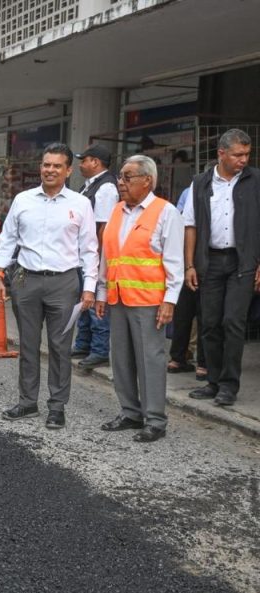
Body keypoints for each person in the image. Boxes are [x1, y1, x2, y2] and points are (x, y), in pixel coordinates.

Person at [0, 142, 99, 429]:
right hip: (26, 281)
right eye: (46, 164)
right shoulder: (23, 200)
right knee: (28, 344)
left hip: (64, 283)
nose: (50, 170)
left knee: (60, 347)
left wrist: (90, 287)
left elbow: (90, 249)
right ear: (41, 167)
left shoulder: (80, 204)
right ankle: (27, 402)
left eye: (57, 166)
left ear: (68, 171)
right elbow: (8, 239)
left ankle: (57, 406)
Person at [96, 155, 184, 443]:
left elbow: (174, 261)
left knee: (150, 360)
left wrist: (170, 300)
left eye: (127, 177)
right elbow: (108, 256)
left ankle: (155, 419)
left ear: (147, 180)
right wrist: (101, 291)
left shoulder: (166, 212)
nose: (121, 182)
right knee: (120, 359)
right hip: (118, 296)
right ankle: (130, 412)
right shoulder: (117, 210)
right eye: (120, 177)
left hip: (149, 301)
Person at [182, 128, 260, 407]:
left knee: (233, 322)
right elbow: (190, 225)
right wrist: (190, 265)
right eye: (238, 154)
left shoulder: (255, 180)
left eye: (247, 154)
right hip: (210, 261)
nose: (244, 160)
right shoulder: (200, 183)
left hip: (243, 261)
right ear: (221, 153)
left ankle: (229, 386)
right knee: (210, 323)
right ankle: (213, 381)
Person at [71, 144, 119, 370]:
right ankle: (83, 344)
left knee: (96, 302)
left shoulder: (106, 187)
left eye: (84, 160)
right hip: (83, 255)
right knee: (84, 301)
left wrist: (98, 258)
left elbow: (104, 226)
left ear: (96, 162)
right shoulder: (89, 185)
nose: (81, 165)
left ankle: (99, 350)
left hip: (95, 256)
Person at [168, 185, 207, 378]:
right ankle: (203, 364)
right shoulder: (200, 188)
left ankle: (177, 359)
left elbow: (180, 221)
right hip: (206, 257)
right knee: (205, 314)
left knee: (184, 312)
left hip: (186, 258)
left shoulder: (190, 190)